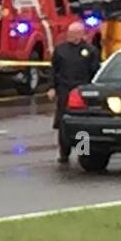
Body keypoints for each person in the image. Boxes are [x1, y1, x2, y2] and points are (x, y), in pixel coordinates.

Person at [51, 21, 99, 163]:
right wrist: (52, 87)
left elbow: (94, 72)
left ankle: (82, 152)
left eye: (72, 34)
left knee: (82, 123)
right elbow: (54, 70)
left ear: (80, 34)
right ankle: (64, 153)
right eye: (68, 33)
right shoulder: (60, 50)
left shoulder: (90, 51)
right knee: (63, 122)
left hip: (81, 93)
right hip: (64, 90)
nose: (69, 36)